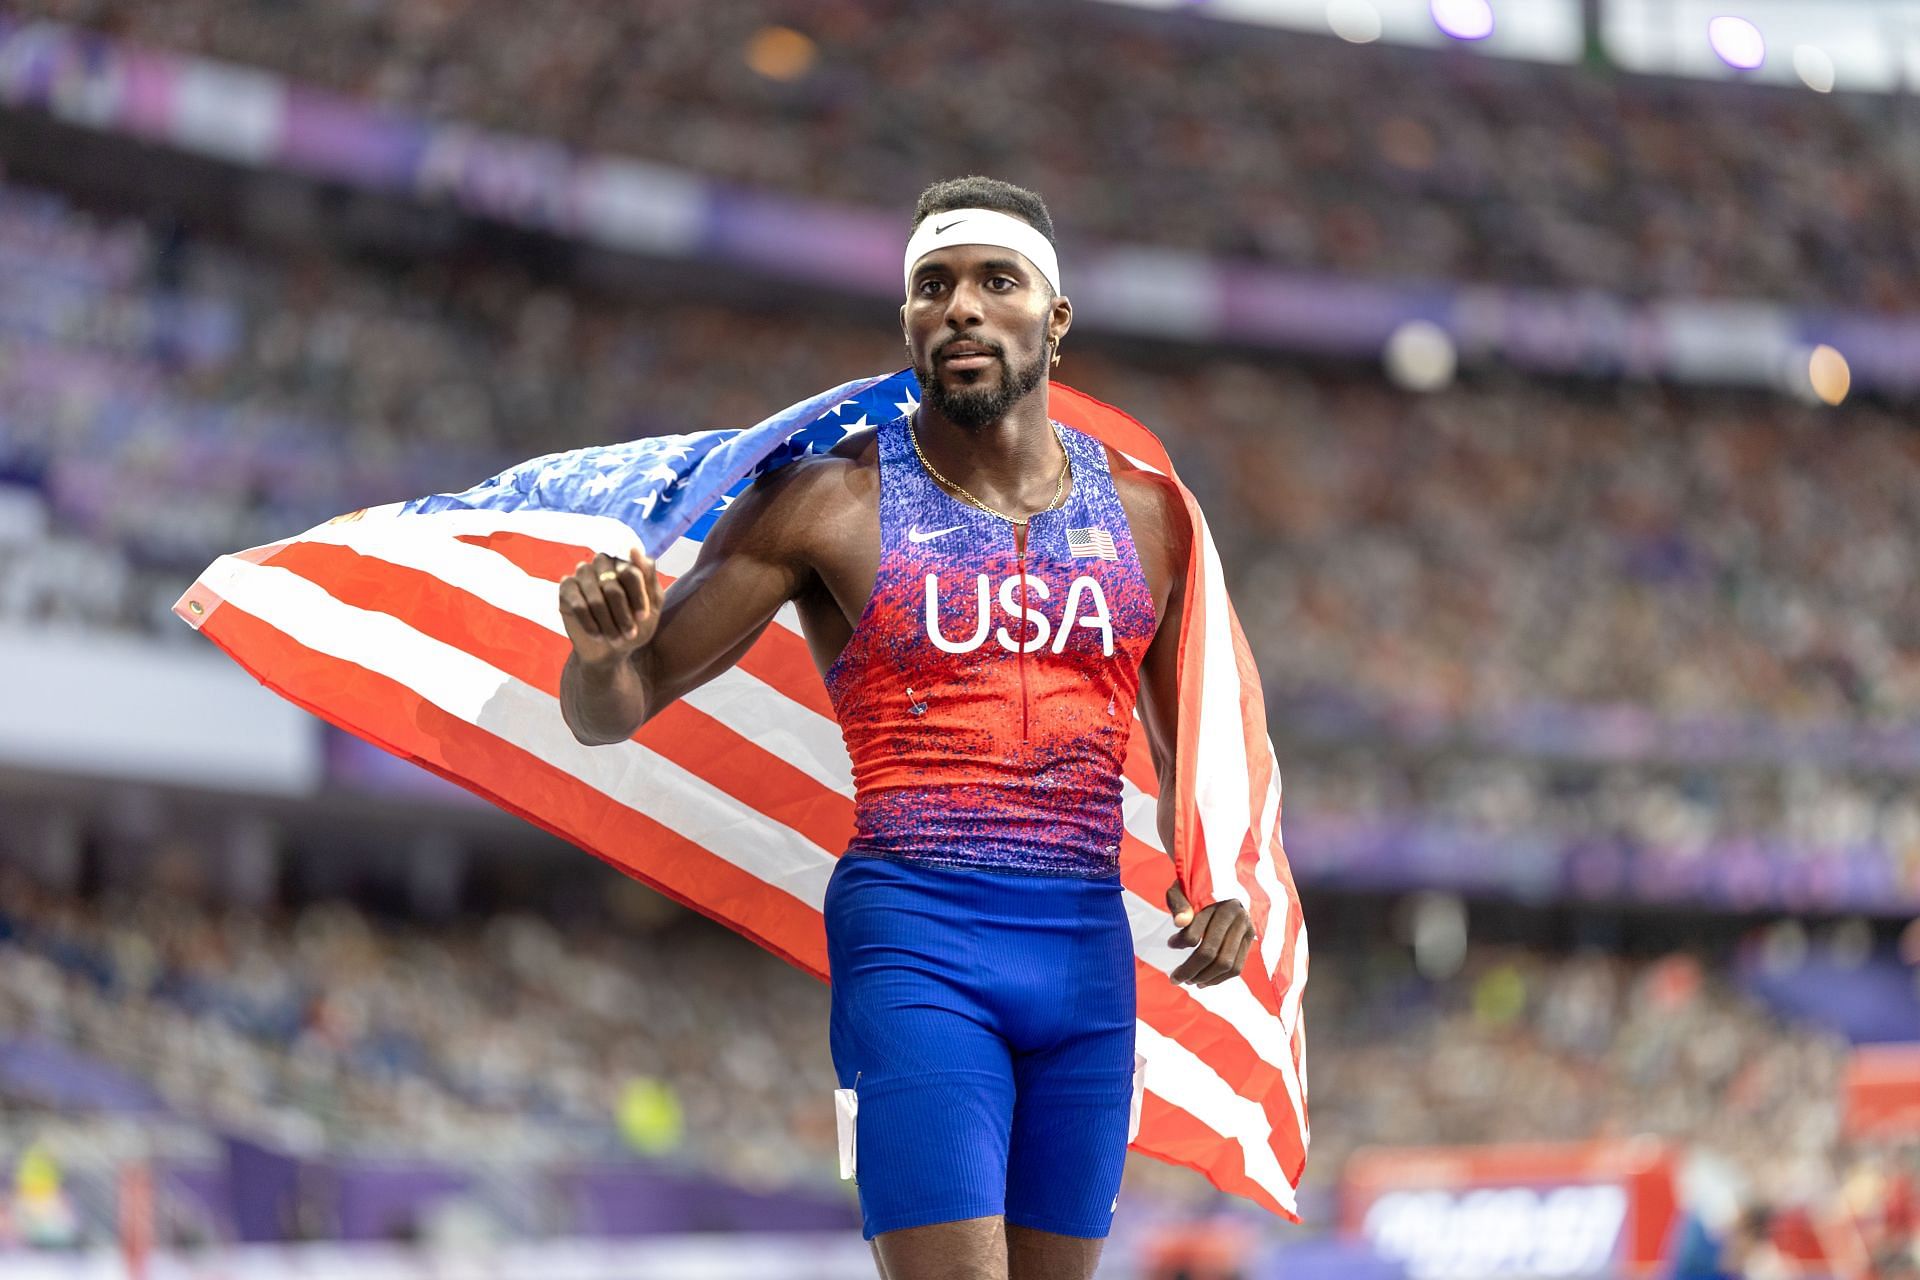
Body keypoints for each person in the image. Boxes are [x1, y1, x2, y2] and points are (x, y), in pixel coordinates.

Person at [557, 175, 1257, 1280]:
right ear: (907, 323)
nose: (962, 307)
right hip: (918, 940)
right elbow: (618, 706)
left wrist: (1219, 875)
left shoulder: (1150, 516)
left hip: (1085, 955)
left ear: (1055, 319)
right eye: (933, 286)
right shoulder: (826, 502)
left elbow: (1196, 747)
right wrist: (600, 652)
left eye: (996, 281)